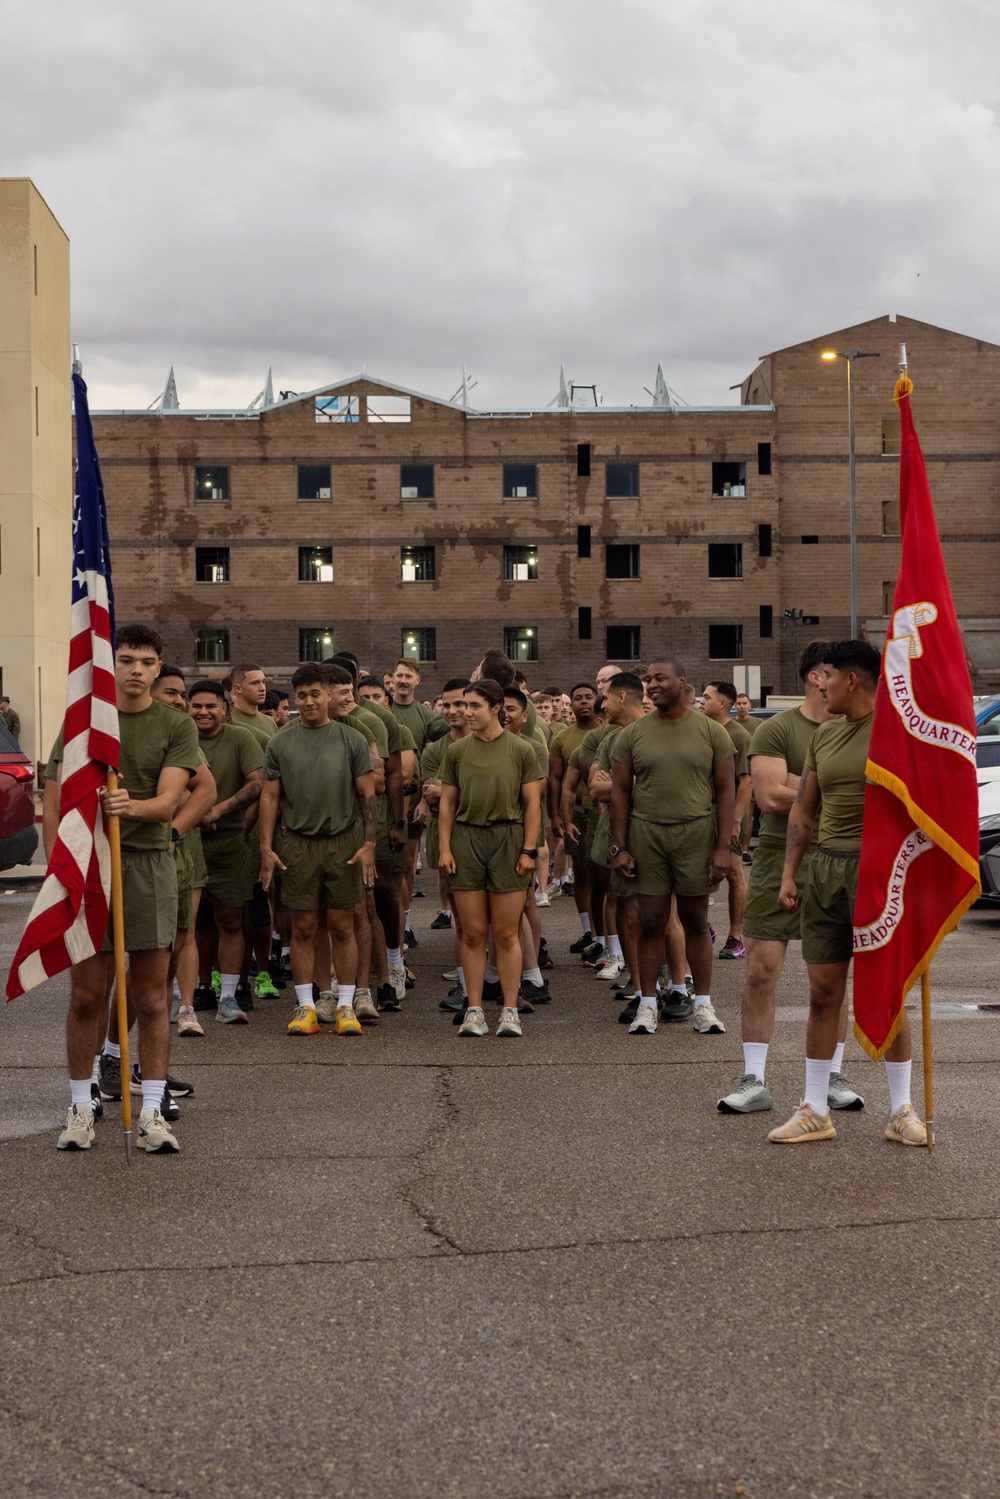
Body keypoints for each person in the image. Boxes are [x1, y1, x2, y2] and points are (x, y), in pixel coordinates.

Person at [769, 640, 927, 1146]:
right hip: (825, 872)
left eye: (829, 677)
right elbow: (803, 810)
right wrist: (791, 872)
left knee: (889, 995)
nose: (822, 685)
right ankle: (815, 1110)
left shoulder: (899, 733)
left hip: (882, 873)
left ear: (852, 681)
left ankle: (902, 1109)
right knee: (822, 995)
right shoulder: (824, 736)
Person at [50, 624, 200, 1154]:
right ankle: (80, 1105)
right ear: (110, 664)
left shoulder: (177, 726)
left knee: (151, 996)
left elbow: (166, 804)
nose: (137, 669)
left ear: (160, 669)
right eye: (128, 659)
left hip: (146, 866)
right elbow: (54, 794)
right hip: (89, 868)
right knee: (88, 995)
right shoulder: (82, 724)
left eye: (148, 661)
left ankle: (153, 1111)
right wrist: (59, 864)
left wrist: (127, 807)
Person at [718, 641, 866, 1114]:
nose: (836, 679)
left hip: (840, 860)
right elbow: (770, 798)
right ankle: (753, 1079)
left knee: (831, 981)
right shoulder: (777, 728)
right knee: (762, 970)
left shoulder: (859, 729)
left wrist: (802, 782)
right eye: (829, 672)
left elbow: (793, 791)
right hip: (780, 859)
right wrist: (832, 785)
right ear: (814, 677)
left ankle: (833, 1073)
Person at [610, 659, 734, 1037]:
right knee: (651, 921)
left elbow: (726, 790)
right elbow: (620, 792)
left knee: (696, 921)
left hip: (696, 834)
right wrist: (620, 846)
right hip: (648, 835)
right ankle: (647, 1004)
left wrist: (722, 848)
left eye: (659, 678)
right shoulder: (631, 735)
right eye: (647, 680)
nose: (651, 685)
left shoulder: (712, 733)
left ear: (681, 681)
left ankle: (703, 1005)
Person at [259, 663, 377, 1037]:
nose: (308, 701)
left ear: (329, 695)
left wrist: (370, 844)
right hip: (297, 843)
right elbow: (270, 797)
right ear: (295, 698)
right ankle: (307, 1006)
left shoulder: (351, 739)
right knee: (304, 927)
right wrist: (266, 847)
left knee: (342, 925)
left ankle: (345, 1006)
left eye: (315, 693)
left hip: (343, 840)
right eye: (302, 695)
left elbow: (367, 796)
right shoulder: (280, 741)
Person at [437, 680, 542, 1038]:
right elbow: (447, 803)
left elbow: (532, 805)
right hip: (466, 839)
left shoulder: (521, 749)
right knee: (473, 932)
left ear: (496, 707)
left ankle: (509, 1010)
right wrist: (445, 848)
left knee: (505, 932)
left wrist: (529, 850)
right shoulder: (456, 751)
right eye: (464, 705)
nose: (466, 712)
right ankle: (475, 1010)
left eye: (474, 706)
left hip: (508, 840)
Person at [188, 680, 264, 1023]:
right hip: (187, 842)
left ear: (225, 708)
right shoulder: (180, 739)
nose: (203, 712)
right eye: (197, 705)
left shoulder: (240, 738)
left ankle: (230, 995)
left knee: (231, 919)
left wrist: (217, 811)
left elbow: (257, 782)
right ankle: (201, 987)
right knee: (197, 921)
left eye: (211, 706)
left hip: (230, 841)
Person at [151, 667, 217, 1038]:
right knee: (150, 941)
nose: (180, 702)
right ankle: (154, 1003)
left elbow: (204, 791)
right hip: (138, 848)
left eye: (181, 695)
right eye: (171, 694)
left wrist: (176, 827)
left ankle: (187, 1007)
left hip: (182, 847)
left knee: (185, 932)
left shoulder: (183, 736)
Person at [700, 682, 752, 960]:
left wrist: (736, 821)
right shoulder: (704, 730)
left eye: (706, 697)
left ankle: (736, 937)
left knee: (733, 874)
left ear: (722, 703)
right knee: (700, 872)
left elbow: (746, 782)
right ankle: (703, 927)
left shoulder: (739, 735)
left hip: (728, 815)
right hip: (703, 814)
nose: (701, 701)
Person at [549, 683, 601, 950]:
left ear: (597, 701)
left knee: (602, 876)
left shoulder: (607, 732)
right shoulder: (562, 738)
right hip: (576, 813)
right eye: (578, 698)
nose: (583, 702)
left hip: (602, 811)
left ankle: (605, 936)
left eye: (588, 697)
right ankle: (589, 932)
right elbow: (556, 781)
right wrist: (556, 815)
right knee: (581, 875)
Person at [228, 664, 276, 740]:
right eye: (255, 683)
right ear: (238, 688)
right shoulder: (227, 720)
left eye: (263, 682)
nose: (262, 688)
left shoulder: (269, 721)